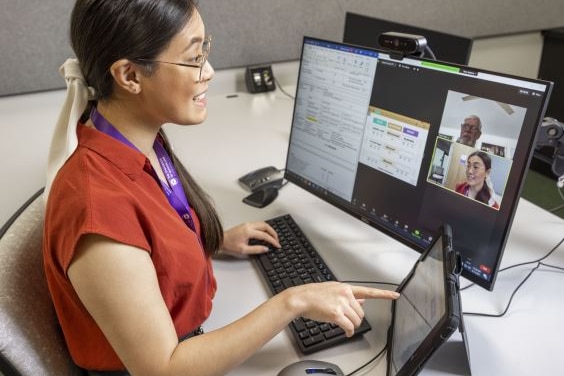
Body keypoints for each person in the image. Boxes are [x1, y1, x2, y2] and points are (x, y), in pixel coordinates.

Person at [42, 1, 399, 375]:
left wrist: (211, 240)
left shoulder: (126, 134)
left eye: (205, 51)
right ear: (130, 76)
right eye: (194, 58)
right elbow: (163, 369)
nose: (209, 71)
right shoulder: (98, 209)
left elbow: (152, 227)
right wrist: (291, 302)